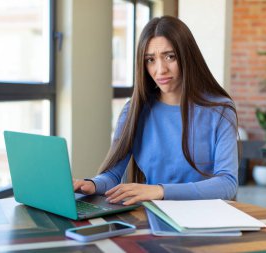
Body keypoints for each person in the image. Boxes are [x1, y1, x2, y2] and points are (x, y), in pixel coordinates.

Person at [74, 16, 238, 205]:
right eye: (150, 60)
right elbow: (112, 175)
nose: (160, 70)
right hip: (153, 216)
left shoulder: (220, 110)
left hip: (205, 218)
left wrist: (160, 191)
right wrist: (92, 184)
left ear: (187, 57)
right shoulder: (134, 110)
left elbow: (227, 183)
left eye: (170, 57)